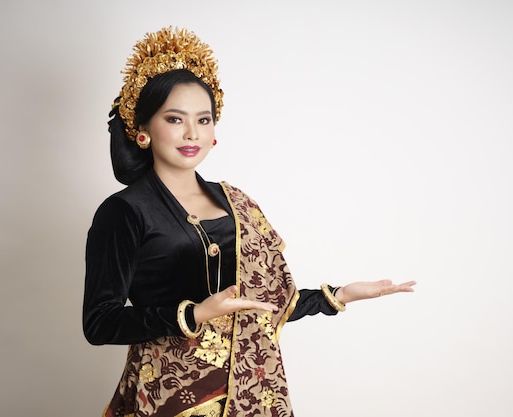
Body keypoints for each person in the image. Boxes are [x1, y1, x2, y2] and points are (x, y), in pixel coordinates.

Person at [83, 26, 416, 417]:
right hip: (168, 397)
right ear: (142, 129)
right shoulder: (124, 212)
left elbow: (264, 302)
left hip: (251, 393)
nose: (192, 133)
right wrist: (196, 314)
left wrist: (337, 296)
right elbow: (100, 323)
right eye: (175, 119)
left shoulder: (235, 201)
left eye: (203, 120)